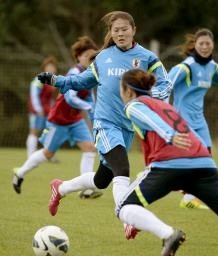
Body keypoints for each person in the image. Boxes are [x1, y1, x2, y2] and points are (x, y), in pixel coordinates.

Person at [37, 10, 173, 218]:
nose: (120, 34)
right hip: (105, 123)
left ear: (133, 30)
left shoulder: (147, 57)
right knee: (123, 170)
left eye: (124, 29)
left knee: (101, 180)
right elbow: (82, 80)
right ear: (111, 32)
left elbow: (165, 84)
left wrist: (150, 96)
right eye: (116, 30)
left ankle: (60, 188)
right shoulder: (103, 57)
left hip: (128, 126)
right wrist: (58, 80)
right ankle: (126, 216)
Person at [116, 69, 218, 255]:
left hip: (169, 166)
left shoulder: (134, 105)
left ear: (128, 90)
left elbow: (150, 119)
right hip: (203, 164)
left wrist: (169, 135)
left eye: (119, 88)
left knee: (123, 207)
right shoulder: (165, 105)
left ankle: (168, 234)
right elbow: (191, 135)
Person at [12, 36, 102, 199]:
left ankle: (86, 189)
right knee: (48, 154)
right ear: (79, 57)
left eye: (93, 55)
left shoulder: (90, 73)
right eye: (88, 54)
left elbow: (89, 98)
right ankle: (20, 173)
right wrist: (89, 107)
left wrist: (94, 113)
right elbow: (70, 98)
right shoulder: (74, 72)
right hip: (59, 120)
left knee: (89, 148)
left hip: (75, 120)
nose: (91, 58)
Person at [168, 28, 218, 209]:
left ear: (212, 45)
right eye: (201, 43)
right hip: (182, 119)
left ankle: (189, 195)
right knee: (193, 158)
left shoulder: (212, 67)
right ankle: (188, 195)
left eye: (208, 43)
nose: (205, 46)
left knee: (206, 156)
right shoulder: (186, 66)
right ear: (195, 45)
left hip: (199, 120)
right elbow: (166, 84)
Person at [26, 56, 58, 158]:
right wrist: (38, 109)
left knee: (49, 131)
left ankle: (48, 155)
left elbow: (51, 99)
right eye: (49, 66)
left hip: (48, 110)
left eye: (52, 67)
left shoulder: (52, 81)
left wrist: (53, 109)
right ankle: (31, 155)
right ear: (44, 67)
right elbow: (34, 94)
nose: (51, 69)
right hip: (37, 110)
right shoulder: (39, 79)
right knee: (34, 131)